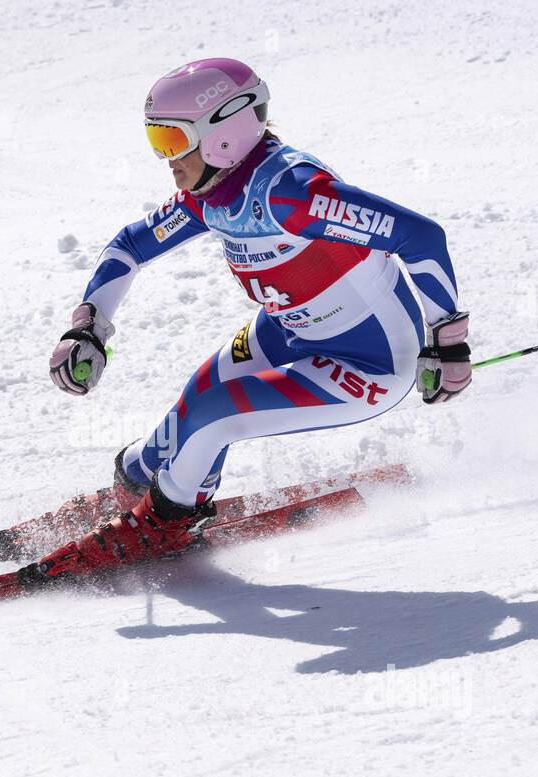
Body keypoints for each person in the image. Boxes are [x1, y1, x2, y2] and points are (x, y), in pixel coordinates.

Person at [39, 58, 470, 577]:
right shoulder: (212, 195)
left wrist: (446, 341)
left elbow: (420, 238)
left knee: (217, 414)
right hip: (293, 330)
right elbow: (131, 245)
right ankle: (143, 488)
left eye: (173, 142)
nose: (166, 161)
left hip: (372, 362)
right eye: (157, 143)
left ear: (223, 135)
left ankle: (169, 520)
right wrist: (88, 325)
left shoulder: (292, 194)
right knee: (184, 412)